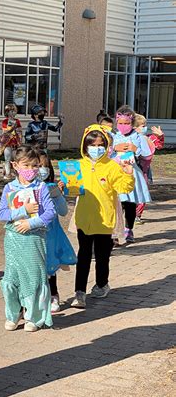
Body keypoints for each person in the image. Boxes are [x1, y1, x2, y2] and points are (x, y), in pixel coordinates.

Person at [71, 124, 134, 309]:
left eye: (100, 145)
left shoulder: (111, 166)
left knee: (102, 256)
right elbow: (73, 188)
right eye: (92, 144)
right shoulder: (78, 165)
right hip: (83, 219)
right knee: (83, 256)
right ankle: (79, 292)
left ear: (106, 146)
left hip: (105, 221)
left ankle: (101, 285)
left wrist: (128, 174)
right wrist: (65, 185)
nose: (96, 148)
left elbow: (124, 188)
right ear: (85, 145)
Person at [0, 146, 56, 332]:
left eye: (35, 165)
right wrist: (23, 211)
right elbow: (2, 213)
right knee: (11, 278)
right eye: (26, 165)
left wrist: (31, 224)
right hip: (14, 239)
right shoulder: (9, 188)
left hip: (34, 238)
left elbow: (50, 213)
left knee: (33, 277)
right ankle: (13, 314)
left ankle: (34, 317)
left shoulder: (41, 187)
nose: (31, 169)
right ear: (15, 165)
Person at [38, 153, 76, 314]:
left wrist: (58, 195)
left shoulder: (52, 188)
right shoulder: (23, 188)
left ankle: (53, 294)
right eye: (36, 165)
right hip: (31, 234)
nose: (40, 170)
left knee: (50, 265)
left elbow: (62, 211)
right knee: (34, 266)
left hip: (51, 235)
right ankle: (33, 299)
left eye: (43, 166)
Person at [111, 106, 152, 243]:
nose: (123, 126)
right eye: (120, 123)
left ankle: (129, 229)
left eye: (126, 123)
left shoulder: (138, 136)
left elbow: (147, 155)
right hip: (116, 174)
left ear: (132, 123)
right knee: (116, 204)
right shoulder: (113, 136)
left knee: (129, 204)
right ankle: (114, 233)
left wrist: (136, 149)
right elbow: (105, 152)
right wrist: (115, 148)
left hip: (132, 172)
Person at [134, 115, 164, 224]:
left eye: (145, 125)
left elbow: (158, 145)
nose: (145, 128)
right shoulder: (127, 138)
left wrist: (160, 136)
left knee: (142, 193)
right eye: (143, 126)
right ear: (134, 127)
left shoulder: (148, 138)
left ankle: (137, 215)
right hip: (130, 170)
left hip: (144, 172)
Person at [0, 104, 22, 180]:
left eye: (14, 111)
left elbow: (20, 131)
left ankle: (16, 174)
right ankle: (8, 174)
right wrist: (12, 128)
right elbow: (5, 131)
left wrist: (20, 140)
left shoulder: (17, 121)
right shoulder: (5, 121)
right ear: (7, 112)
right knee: (7, 159)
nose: (12, 113)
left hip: (15, 142)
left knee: (15, 159)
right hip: (7, 143)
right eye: (10, 111)